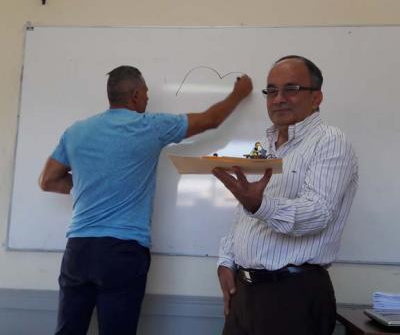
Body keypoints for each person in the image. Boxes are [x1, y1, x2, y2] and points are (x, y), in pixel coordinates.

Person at [39, 65, 252, 335]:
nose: (149, 99)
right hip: (122, 251)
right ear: (136, 95)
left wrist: (89, 186)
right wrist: (239, 93)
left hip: (78, 250)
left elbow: (47, 180)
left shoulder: (76, 132)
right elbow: (210, 120)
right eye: (147, 93)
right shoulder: (150, 127)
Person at [212, 55, 358, 335]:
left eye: (291, 89)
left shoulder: (330, 142)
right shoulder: (265, 146)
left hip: (293, 296)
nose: (278, 99)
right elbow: (244, 213)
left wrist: (261, 205)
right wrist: (226, 261)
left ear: (317, 97)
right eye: (271, 90)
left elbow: (318, 214)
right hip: (244, 294)